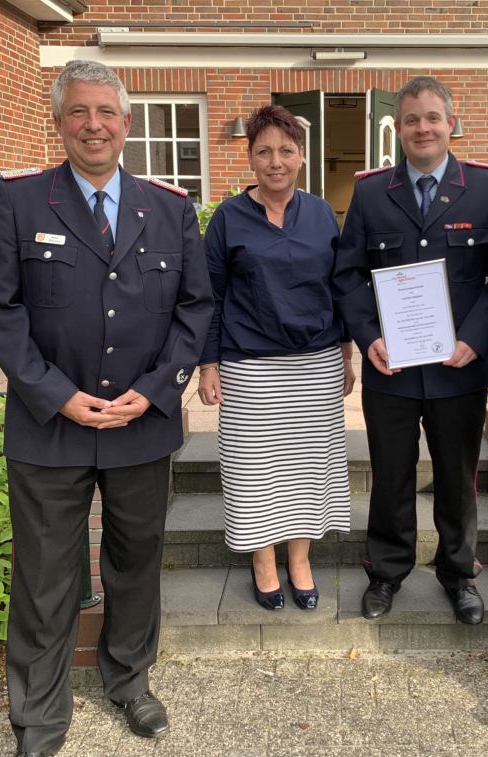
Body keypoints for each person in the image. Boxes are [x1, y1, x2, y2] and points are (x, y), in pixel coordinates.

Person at [0, 60, 213, 757]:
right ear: (58, 121)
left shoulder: (169, 207)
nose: (93, 124)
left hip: (142, 426)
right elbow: (0, 311)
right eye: (78, 111)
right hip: (50, 427)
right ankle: (38, 722)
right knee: (45, 581)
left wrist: (151, 393)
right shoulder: (19, 198)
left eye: (106, 111)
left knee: (135, 563)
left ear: (127, 121)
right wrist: (57, 395)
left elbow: (194, 310)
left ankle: (128, 680)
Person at [333, 76, 488, 623]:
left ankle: (459, 573)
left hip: (457, 368)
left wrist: (475, 338)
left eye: (433, 117)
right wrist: (368, 337)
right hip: (391, 369)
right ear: (398, 128)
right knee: (390, 475)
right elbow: (347, 276)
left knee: (458, 478)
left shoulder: (485, 188)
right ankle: (387, 573)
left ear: (451, 123)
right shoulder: (370, 192)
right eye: (411, 119)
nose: (423, 128)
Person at [198, 105, 352, 611]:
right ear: (250, 158)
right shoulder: (227, 218)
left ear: (302, 157)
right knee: (252, 468)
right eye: (263, 151)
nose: (276, 161)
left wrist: (347, 353)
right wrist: (208, 363)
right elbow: (210, 295)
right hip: (250, 364)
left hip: (316, 363)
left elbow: (339, 287)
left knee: (309, 467)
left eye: (286, 150)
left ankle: (300, 559)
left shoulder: (322, 213)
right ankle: (263, 562)